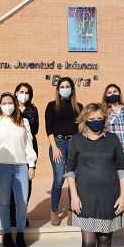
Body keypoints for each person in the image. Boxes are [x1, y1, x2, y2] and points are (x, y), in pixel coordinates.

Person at [64, 103, 124, 247]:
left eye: (99, 118)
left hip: (109, 196)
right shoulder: (76, 140)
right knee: (88, 241)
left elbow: (122, 168)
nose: (95, 122)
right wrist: (74, 197)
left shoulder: (112, 139)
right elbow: (70, 169)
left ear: (105, 119)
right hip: (85, 198)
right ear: (84, 120)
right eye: (91, 119)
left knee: (105, 240)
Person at [0, 92, 37, 247]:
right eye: (4, 103)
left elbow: (29, 144)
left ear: (15, 104)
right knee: (4, 202)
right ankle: (7, 235)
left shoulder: (23, 122)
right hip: (2, 167)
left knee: (22, 203)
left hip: (21, 167)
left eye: (10, 102)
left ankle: (20, 234)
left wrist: (31, 164)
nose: (8, 106)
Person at [45, 77, 83, 226]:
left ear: (72, 89)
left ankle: (71, 211)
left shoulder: (79, 107)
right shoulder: (52, 106)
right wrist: (54, 147)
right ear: (58, 89)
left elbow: (82, 128)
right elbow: (48, 129)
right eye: (62, 86)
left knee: (72, 179)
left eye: (68, 86)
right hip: (58, 143)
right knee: (59, 180)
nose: (65, 88)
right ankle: (54, 211)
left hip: (75, 143)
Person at [9, 82, 39, 227]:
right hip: (12, 150)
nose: (24, 95)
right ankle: (11, 213)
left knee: (27, 182)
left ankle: (22, 212)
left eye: (27, 92)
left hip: (28, 148)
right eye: (21, 91)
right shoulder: (9, 108)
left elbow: (35, 129)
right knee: (10, 182)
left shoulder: (33, 110)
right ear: (16, 92)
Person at [102, 83, 124, 172]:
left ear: (119, 93)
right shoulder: (103, 111)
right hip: (111, 152)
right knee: (112, 179)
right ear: (106, 96)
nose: (112, 94)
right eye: (109, 92)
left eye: (115, 91)